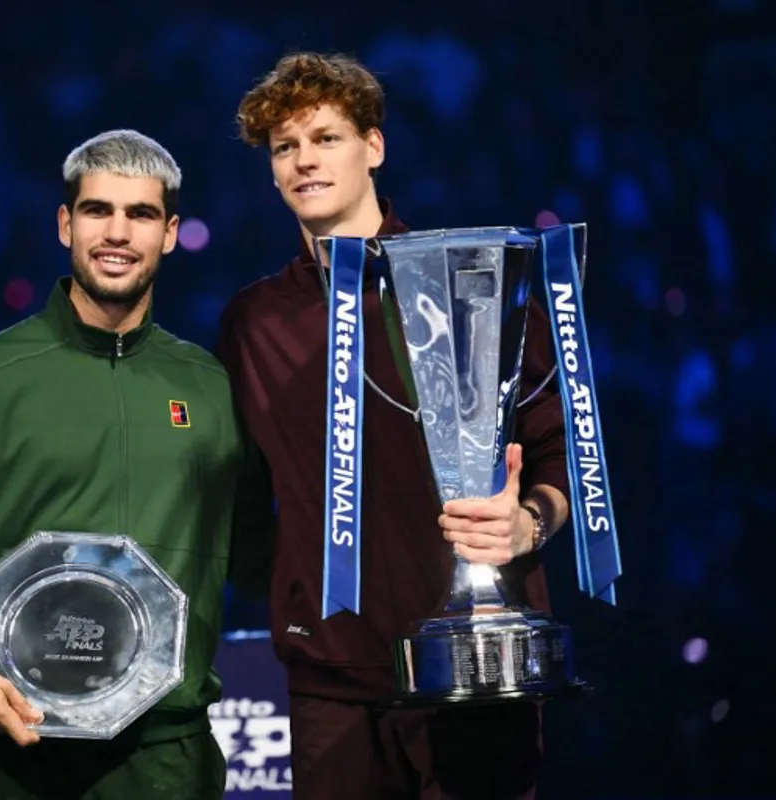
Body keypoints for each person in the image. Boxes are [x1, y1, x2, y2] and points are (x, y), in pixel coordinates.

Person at [0, 128, 270, 799]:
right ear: (65, 224)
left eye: (141, 214)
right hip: (17, 757)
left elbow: (260, 556)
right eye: (99, 210)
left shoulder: (211, 388)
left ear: (169, 233)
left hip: (166, 762)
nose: (118, 232)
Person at [217, 52, 571, 800]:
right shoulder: (254, 321)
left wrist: (526, 526)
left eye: (325, 138)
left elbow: (557, 452)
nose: (303, 161)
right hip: (333, 678)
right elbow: (242, 489)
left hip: (474, 667)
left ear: (373, 147)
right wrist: (286, 591)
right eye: (285, 148)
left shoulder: (472, 282)